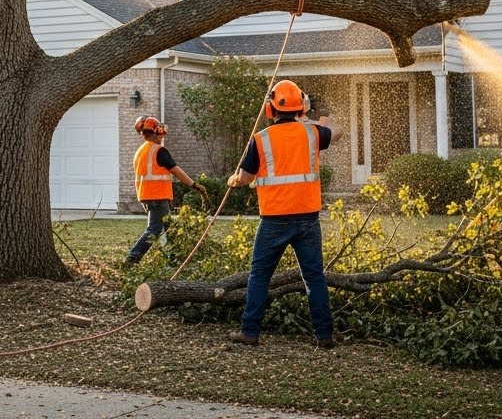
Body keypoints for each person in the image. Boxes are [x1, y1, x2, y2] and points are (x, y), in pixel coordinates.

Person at [226, 80, 341, 348]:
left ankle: (250, 332)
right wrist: (316, 119)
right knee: (314, 278)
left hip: (274, 221)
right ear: (301, 107)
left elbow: (245, 178)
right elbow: (337, 131)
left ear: (271, 109)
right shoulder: (312, 133)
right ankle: (324, 336)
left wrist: (235, 179)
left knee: (259, 277)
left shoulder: (261, 139)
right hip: (308, 220)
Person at [125, 115, 207, 265]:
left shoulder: (140, 151)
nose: (161, 136)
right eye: (159, 132)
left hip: (146, 196)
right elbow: (176, 171)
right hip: (157, 196)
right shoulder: (159, 151)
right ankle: (132, 258)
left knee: (168, 227)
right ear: (154, 132)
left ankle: (173, 259)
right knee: (155, 229)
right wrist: (194, 185)